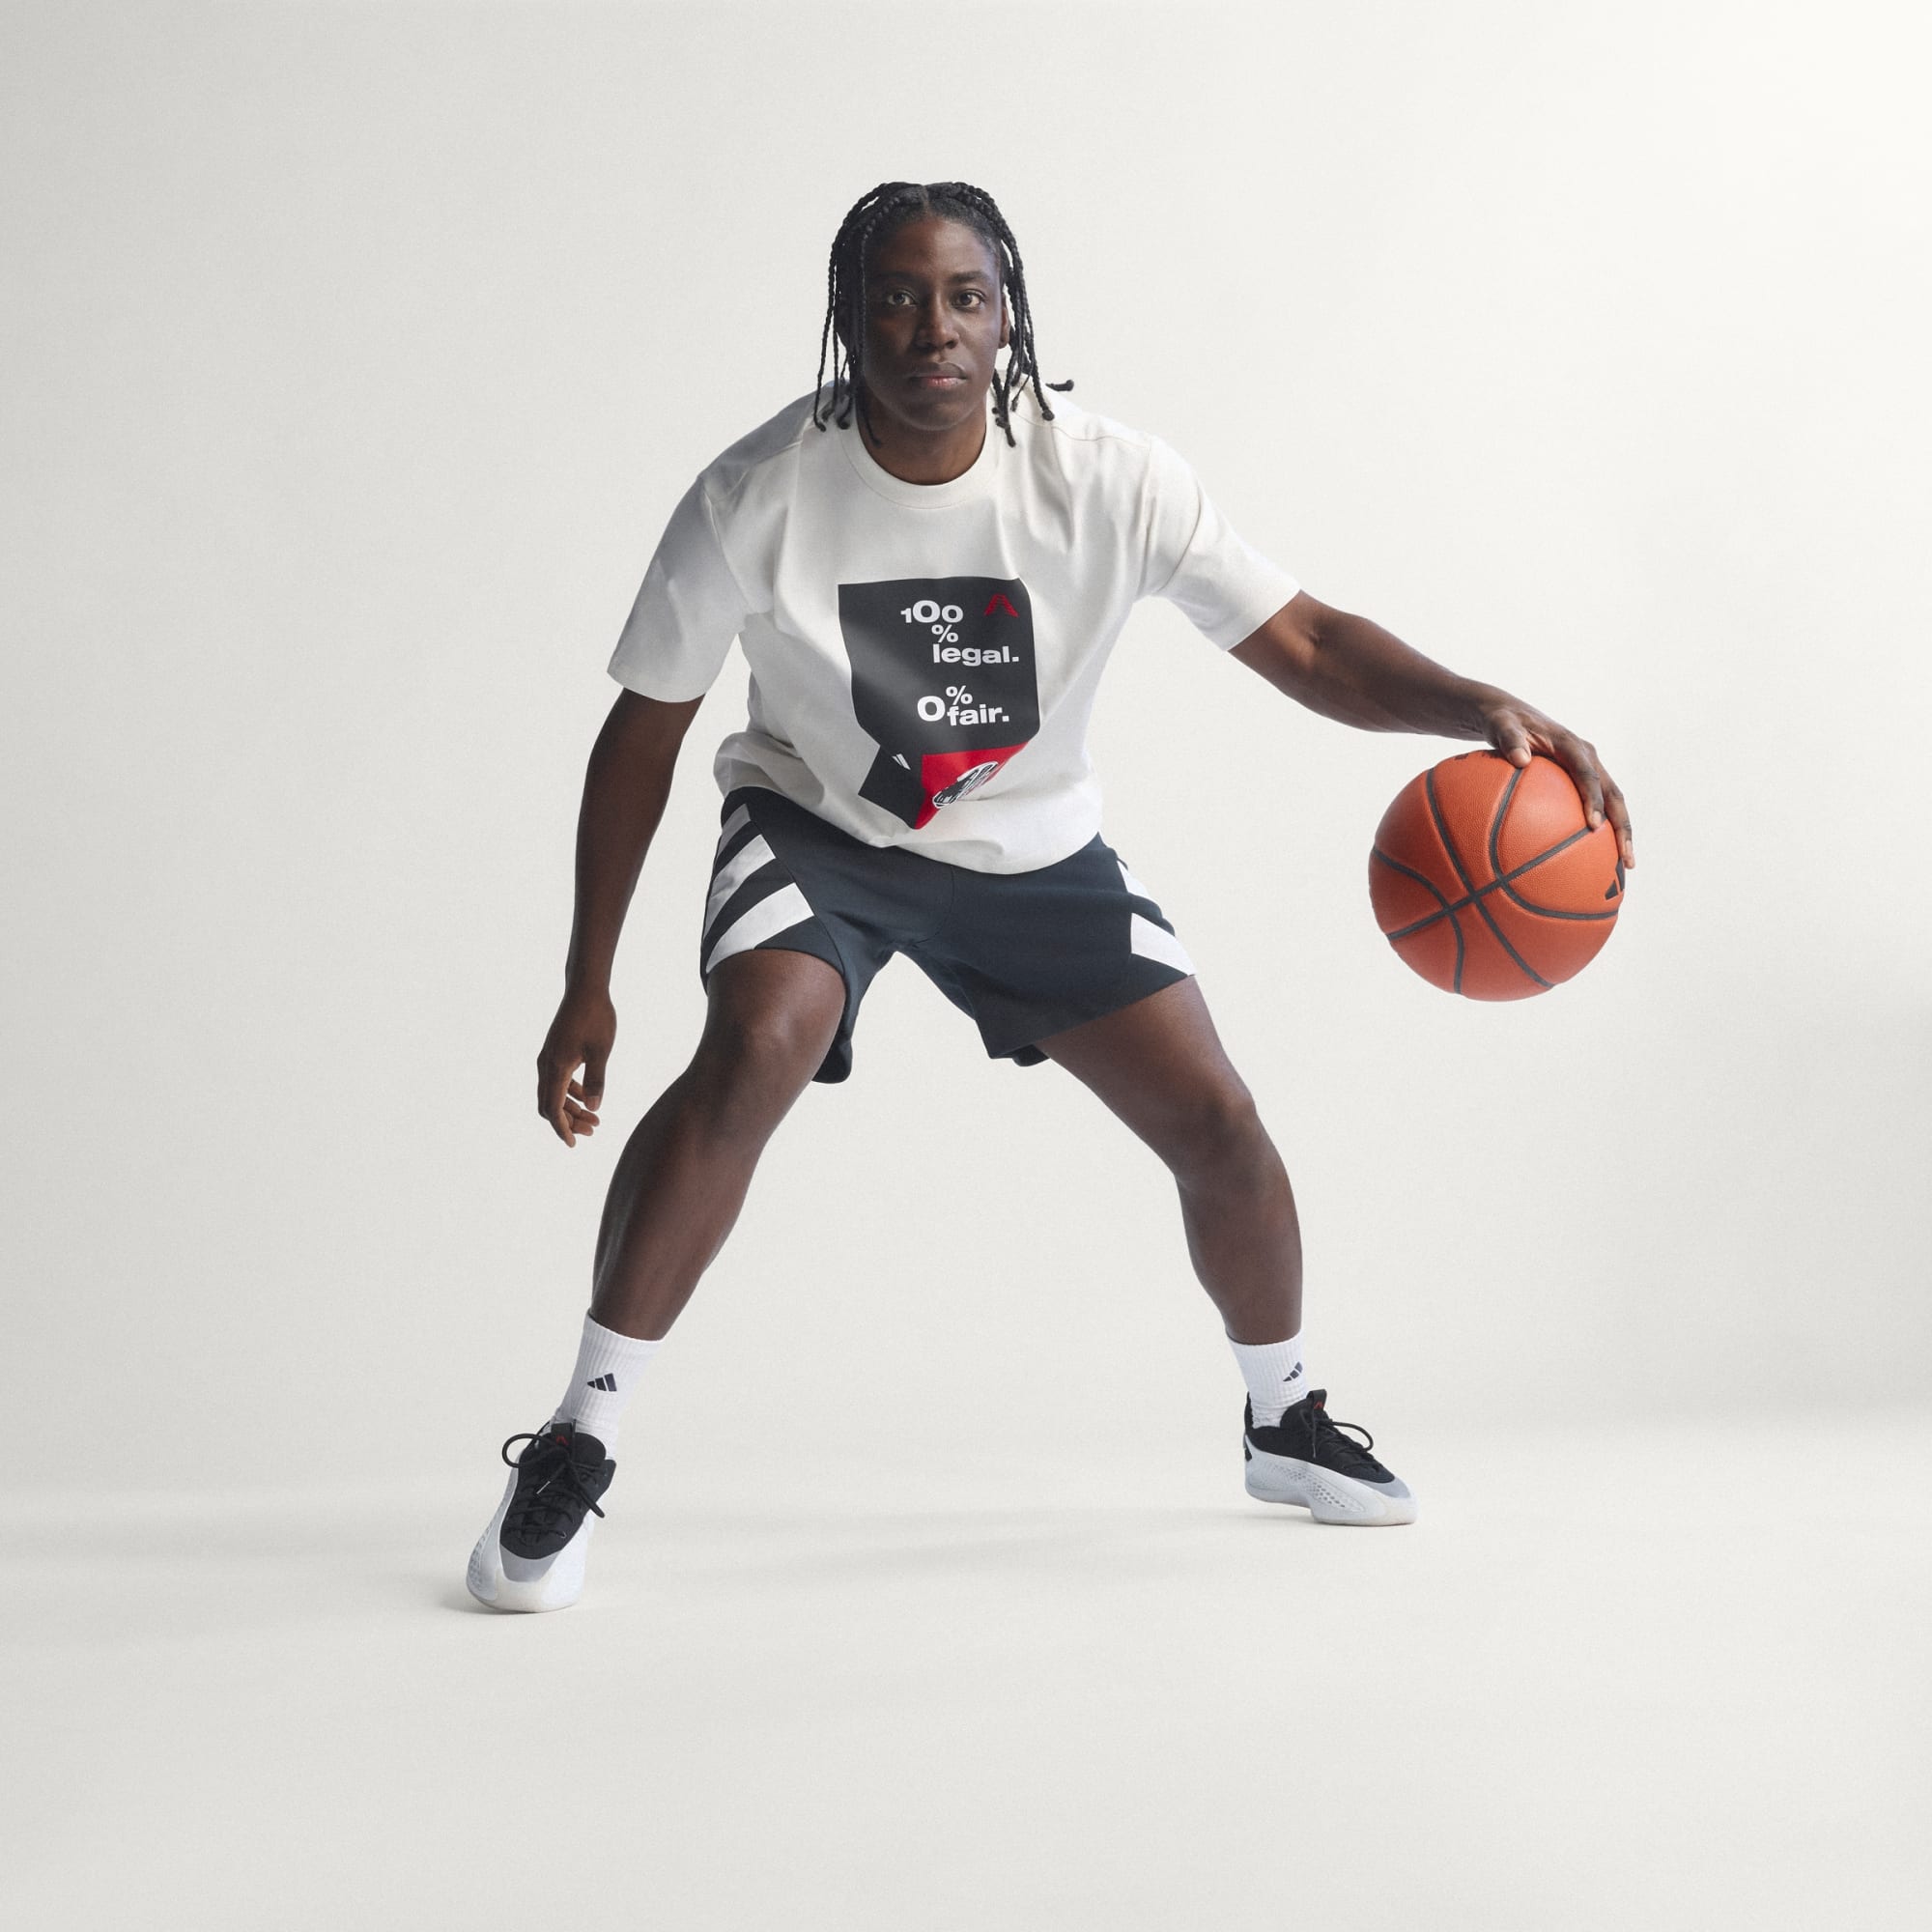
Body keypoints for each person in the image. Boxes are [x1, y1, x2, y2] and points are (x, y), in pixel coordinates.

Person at [466, 180, 1634, 1612]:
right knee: (756, 1043)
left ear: (1009, 317)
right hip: (822, 829)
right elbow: (643, 733)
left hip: (1031, 852)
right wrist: (586, 981)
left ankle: (1283, 1418)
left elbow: (1311, 643)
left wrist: (1477, 705)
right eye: (898, 297)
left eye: (966, 296)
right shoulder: (754, 497)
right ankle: (578, 1440)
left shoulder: (1109, 479)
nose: (934, 328)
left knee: (1218, 1123)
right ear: (847, 320)